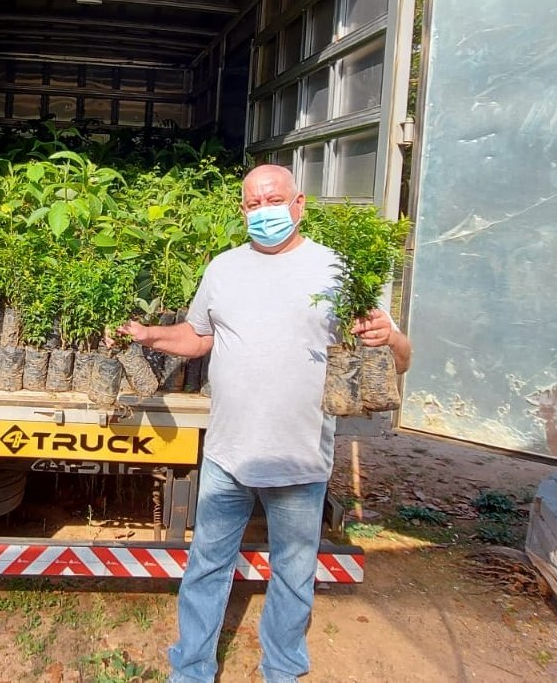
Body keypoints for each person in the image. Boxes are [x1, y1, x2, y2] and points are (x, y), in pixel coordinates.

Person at [118, 164, 411, 683]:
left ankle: (282, 668)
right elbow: (199, 337)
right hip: (228, 454)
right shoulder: (224, 268)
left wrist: (390, 338)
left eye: (274, 201)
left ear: (299, 204)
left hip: (300, 457)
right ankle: (191, 670)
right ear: (243, 210)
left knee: (294, 574)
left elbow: (400, 361)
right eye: (253, 204)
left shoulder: (336, 270)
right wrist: (150, 335)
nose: (264, 212)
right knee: (207, 566)